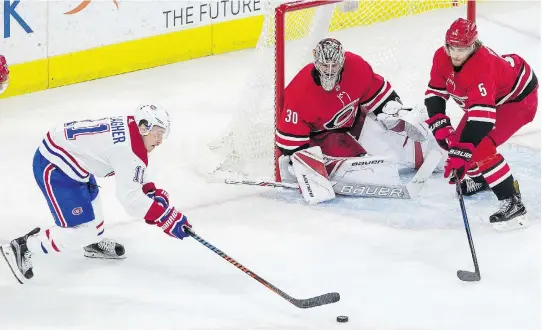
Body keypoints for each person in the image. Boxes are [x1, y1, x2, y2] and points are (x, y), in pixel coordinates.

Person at [1, 104, 192, 284]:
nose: (160, 141)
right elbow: (131, 200)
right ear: (144, 128)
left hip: (74, 161)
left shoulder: (131, 128)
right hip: (56, 167)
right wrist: (167, 217)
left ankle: (91, 241)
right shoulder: (128, 150)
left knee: (95, 228)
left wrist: (149, 191)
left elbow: (135, 172)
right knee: (83, 231)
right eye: (158, 134)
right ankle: (25, 246)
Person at [275, 37, 434, 204]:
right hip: (322, 137)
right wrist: (305, 168)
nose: (329, 71)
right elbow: (290, 144)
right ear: (316, 60)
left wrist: (397, 113)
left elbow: (380, 97)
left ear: (342, 60)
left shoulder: (356, 66)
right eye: (324, 65)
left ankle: (425, 152)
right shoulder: (299, 91)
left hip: (355, 121)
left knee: (398, 142)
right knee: (370, 171)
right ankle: (352, 167)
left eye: (334, 65)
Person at [424, 18, 538, 230]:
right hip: (495, 96)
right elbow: (434, 93)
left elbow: (482, 121)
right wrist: (440, 127)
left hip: (518, 100)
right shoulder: (441, 56)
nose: (456, 53)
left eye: (463, 48)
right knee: (458, 142)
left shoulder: (482, 65)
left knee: (479, 146)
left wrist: (462, 154)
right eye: (452, 47)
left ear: (474, 45)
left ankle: (512, 201)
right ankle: (482, 179)